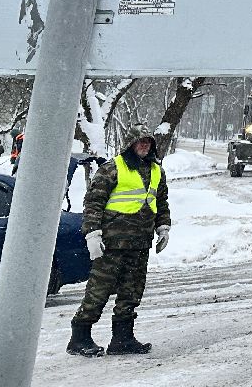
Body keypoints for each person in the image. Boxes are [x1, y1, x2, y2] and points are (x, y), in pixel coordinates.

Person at [67, 126, 172, 358]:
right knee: (99, 290)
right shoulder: (112, 168)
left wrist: (163, 228)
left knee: (132, 292)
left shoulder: (156, 171)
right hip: (112, 244)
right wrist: (92, 234)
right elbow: (93, 202)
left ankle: (122, 339)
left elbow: (161, 202)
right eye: (140, 141)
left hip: (140, 243)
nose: (144, 145)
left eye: (148, 142)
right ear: (130, 144)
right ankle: (79, 337)